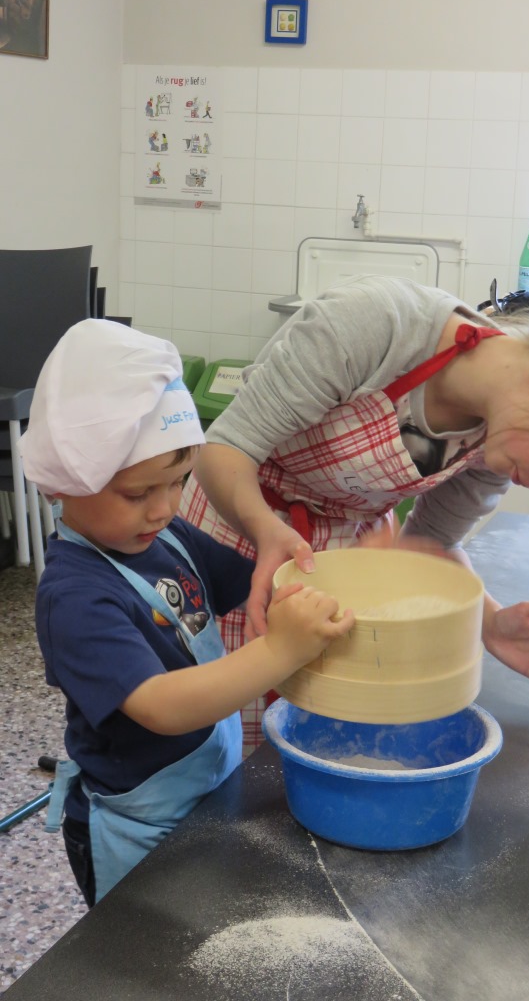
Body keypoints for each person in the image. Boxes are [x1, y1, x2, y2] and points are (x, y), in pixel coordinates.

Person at [19, 319, 354, 907]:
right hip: (139, 828)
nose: (164, 508)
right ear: (62, 483)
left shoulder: (168, 536)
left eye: (176, 483)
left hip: (208, 796)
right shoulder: (74, 596)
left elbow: (245, 584)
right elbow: (163, 707)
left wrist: (291, 586)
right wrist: (278, 650)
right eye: (138, 493)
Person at [178, 274, 529, 748]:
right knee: (209, 740)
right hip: (231, 531)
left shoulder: (497, 448)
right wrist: (266, 531)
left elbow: (428, 546)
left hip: (349, 560)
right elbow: (225, 450)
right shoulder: (377, 324)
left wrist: (485, 620)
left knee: (316, 737)